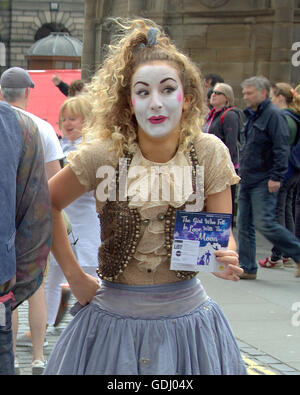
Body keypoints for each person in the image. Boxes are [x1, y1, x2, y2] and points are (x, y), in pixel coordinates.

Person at [44, 18, 246, 375]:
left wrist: (226, 253)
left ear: (186, 99)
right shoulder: (103, 155)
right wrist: (75, 276)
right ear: (128, 102)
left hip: (187, 326)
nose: (156, 103)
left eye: (168, 90)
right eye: (143, 92)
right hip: (112, 323)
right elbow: (46, 202)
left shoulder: (209, 152)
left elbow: (220, 228)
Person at [0, 66, 64, 374]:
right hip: (17, 245)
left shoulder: (23, 126)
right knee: (24, 291)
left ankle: (15, 354)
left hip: (10, 249)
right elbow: (50, 189)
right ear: (28, 92)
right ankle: (37, 355)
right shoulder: (35, 127)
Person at [44, 94, 100, 331]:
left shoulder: (91, 152)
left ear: (87, 121)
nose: (67, 123)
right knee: (54, 276)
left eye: (73, 118)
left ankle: (88, 324)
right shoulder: (61, 147)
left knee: (88, 272)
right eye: (64, 119)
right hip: (63, 221)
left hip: (86, 224)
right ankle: (45, 324)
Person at [237, 76, 300, 280]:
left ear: (263, 93)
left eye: (250, 93)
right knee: (244, 223)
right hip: (248, 178)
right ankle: (247, 266)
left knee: (265, 223)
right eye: (244, 93)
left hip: (263, 179)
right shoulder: (254, 115)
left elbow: (282, 148)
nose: (245, 97)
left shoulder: (274, 116)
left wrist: (276, 176)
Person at [259, 83, 300, 269]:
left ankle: (279, 254)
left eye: (274, 96)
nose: (271, 100)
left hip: (285, 171)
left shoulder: (284, 118)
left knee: (280, 212)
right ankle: (285, 255)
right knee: (287, 210)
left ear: (281, 97)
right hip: (293, 171)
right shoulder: (293, 117)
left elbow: (281, 148)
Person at [203, 82, 241, 217]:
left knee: (222, 211)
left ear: (227, 97)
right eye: (213, 92)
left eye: (218, 93)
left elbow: (231, 144)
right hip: (208, 167)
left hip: (223, 169)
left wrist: (225, 167)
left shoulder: (230, 115)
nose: (213, 95)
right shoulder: (210, 114)